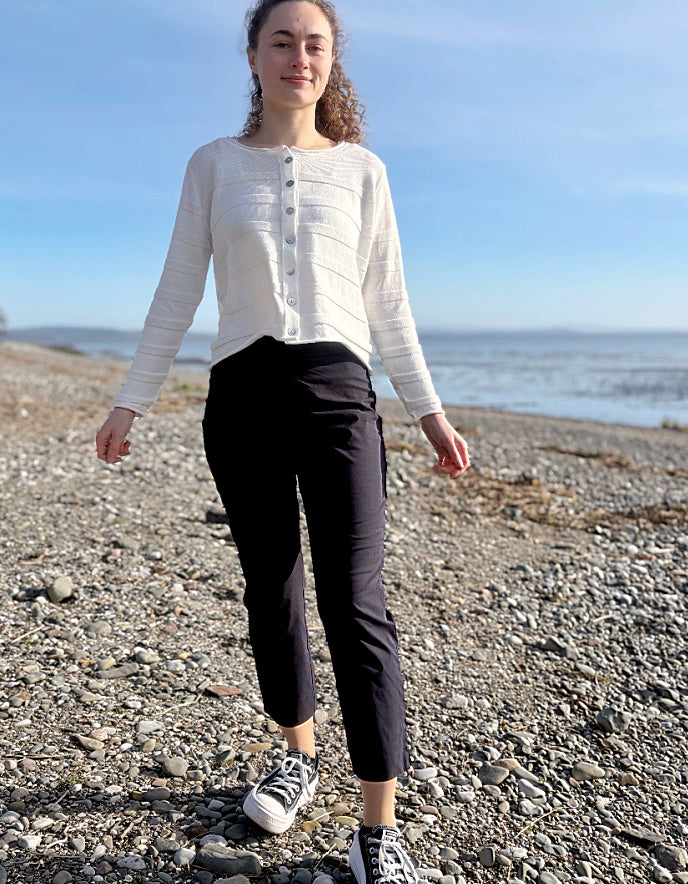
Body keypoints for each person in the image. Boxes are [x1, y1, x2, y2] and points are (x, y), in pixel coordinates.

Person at [96, 1, 470, 881]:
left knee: (356, 602)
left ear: (330, 61)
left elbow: (390, 307)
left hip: (340, 396)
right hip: (242, 397)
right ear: (253, 55)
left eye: (315, 44)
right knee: (273, 585)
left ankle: (378, 827)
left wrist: (429, 411)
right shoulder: (213, 165)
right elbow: (178, 287)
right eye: (281, 40)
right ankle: (296, 754)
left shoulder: (363, 171)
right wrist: (130, 401)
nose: (298, 56)